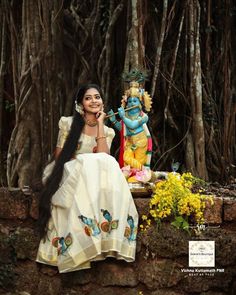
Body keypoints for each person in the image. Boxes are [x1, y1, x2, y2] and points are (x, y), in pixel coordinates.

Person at [36, 84, 138, 273]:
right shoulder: (67, 123)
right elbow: (60, 155)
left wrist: (100, 126)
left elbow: (104, 157)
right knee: (88, 162)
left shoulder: (107, 132)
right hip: (67, 170)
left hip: (92, 177)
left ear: (102, 102)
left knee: (108, 163)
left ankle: (105, 238)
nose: (93, 101)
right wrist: (84, 161)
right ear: (80, 104)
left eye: (97, 97)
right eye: (88, 98)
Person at [107, 81, 153, 183]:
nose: (132, 103)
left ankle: (142, 173)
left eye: (135, 101)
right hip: (130, 142)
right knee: (126, 158)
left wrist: (122, 116)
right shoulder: (126, 115)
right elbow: (122, 129)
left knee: (137, 161)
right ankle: (141, 172)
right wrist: (114, 120)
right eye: (130, 101)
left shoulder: (143, 116)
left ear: (140, 103)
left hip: (141, 142)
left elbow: (132, 125)